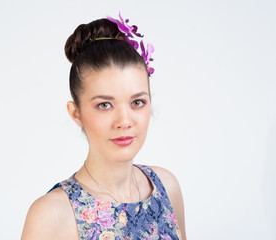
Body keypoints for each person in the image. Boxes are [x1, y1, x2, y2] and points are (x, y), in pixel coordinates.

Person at [21, 13, 186, 240]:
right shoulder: (53, 215)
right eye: (105, 105)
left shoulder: (166, 187)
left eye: (137, 102)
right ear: (76, 113)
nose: (124, 121)